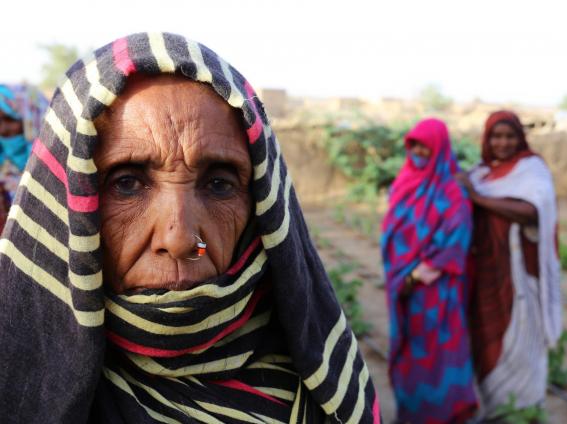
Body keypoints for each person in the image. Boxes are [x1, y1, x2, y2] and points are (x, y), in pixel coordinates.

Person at [0, 33, 380, 423]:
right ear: (70, 206)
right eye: (127, 183)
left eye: (219, 185)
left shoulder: (319, 395)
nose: (182, 240)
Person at [456, 110, 561, 419]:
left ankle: (523, 407)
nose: (502, 142)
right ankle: (493, 408)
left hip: (518, 278)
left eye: (509, 136)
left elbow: (530, 211)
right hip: (485, 273)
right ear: (486, 139)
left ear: (520, 138)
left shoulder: (531, 170)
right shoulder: (480, 173)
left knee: (521, 338)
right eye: (496, 136)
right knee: (485, 339)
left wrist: (477, 197)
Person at [381, 118, 477, 423]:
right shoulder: (404, 182)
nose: (419, 151)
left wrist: (415, 275)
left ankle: (441, 414)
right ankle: (412, 414)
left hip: (435, 292)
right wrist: (403, 278)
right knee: (410, 353)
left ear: (440, 149)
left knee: (436, 356)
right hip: (403, 288)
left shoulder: (452, 193)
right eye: (415, 145)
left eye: (426, 146)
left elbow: (455, 242)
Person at [0, 84, 48, 231]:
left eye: (10, 119)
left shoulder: (59, 173)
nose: (3, 130)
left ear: (33, 119)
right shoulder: (3, 170)